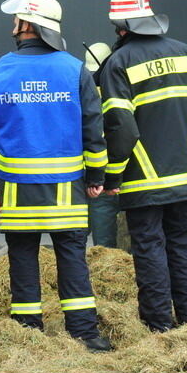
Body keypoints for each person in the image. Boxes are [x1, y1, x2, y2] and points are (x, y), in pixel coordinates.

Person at [0, 0, 112, 352]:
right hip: (67, 190)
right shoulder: (75, 70)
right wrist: (97, 176)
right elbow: (92, 128)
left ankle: (28, 332)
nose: (11, 26)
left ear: (26, 25)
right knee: (72, 258)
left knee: (22, 258)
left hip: (17, 191)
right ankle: (84, 334)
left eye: (15, 20)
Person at [97, 0, 187, 332]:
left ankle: (159, 327)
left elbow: (122, 127)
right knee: (183, 246)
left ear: (119, 28)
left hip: (143, 183)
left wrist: (113, 177)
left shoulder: (118, 62)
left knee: (149, 249)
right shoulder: (185, 52)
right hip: (186, 177)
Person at [83, 42, 120, 249]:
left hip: (84, 172)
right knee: (104, 244)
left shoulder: (81, 89)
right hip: (107, 172)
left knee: (76, 237)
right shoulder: (116, 88)